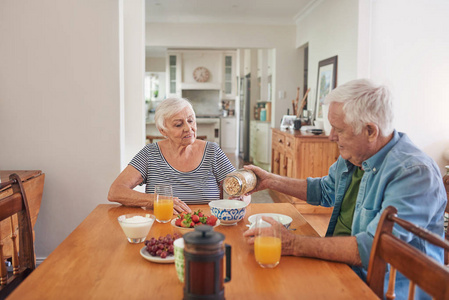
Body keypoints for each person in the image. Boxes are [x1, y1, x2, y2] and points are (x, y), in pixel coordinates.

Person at [243, 79, 446, 299]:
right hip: (342, 266)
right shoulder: (354, 155)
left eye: (339, 129)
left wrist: (292, 243)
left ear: (370, 131)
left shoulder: (413, 173)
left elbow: (373, 248)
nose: (331, 136)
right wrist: (271, 180)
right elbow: (325, 190)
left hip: (383, 290)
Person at [108, 97, 249, 213]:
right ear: (163, 130)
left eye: (190, 120)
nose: (188, 129)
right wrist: (157, 200)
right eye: (178, 125)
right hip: (161, 227)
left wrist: (240, 198)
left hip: (204, 228)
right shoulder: (149, 154)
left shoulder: (213, 151)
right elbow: (115, 191)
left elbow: (242, 189)